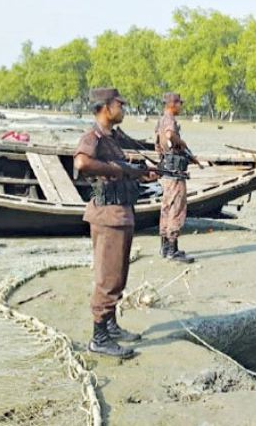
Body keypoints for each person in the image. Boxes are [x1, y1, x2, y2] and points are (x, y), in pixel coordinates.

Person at [73, 87, 159, 358]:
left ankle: (110, 325)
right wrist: (117, 169)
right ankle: (99, 338)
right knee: (107, 278)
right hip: (107, 215)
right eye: (119, 105)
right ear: (105, 107)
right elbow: (82, 163)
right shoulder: (93, 136)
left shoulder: (112, 138)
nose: (123, 109)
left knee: (118, 276)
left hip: (121, 212)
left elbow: (121, 170)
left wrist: (140, 174)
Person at [155, 92, 195, 263]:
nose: (181, 106)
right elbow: (171, 136)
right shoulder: (170, 120)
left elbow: (159, 143)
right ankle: (172, 250)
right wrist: (182, 143)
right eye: (180, 103)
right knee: (176, 209)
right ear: (173, 104)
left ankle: (165, 248)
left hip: (167, 171)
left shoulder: (161, 120)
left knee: (166, 207)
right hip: (175, 173)